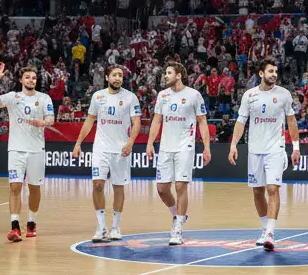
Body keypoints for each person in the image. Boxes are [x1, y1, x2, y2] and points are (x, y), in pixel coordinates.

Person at [228, 59, 300, 251]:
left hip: (275, 150)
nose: (274, 74)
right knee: (258, 191)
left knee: (272, 189)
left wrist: (296, 147)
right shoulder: (249, 96)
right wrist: (233, 145)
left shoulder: (284, 94)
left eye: (276, 71)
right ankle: (263, 228)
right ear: (261, 74)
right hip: (254, 150)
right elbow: (241, 122)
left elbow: (291, 121)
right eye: (270, 71)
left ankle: (270, 232)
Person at [0, 63, 54, 243]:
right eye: (27, 77)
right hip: (16, 149)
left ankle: (32, 221)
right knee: (15, 187)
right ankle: (15, 226)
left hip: (36, 150)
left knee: (34, 188)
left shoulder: (44, 98)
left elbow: (51, 119)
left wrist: (43, 122)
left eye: (33, 78)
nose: (31, 80)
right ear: (21, 80)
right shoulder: (13, 97)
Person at [146, 61, 212, 246]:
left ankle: (178, 228)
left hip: (185, 146)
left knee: (181, 186)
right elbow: (157, 121)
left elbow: (202, 122)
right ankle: (177, 214)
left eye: (169, 73)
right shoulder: (162, 96)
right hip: (166, 147)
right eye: (165, 73)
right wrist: (150, 143)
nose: (165, 76)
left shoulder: (194, 95)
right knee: (161, 189)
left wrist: (206, 146)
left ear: (179, 75)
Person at [74, 65, 142, 243]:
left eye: (120, 75)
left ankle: (115, 226)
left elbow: (137, 122)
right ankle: (101, 226)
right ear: (107, 77)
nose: (117, 78)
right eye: (114, 75)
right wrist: (78, 143)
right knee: (97, 185)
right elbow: (89, 121)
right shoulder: (98, 97)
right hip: (101, 148)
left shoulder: (130, 97)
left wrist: (130, 142)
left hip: (121, 150)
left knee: (118, 187)